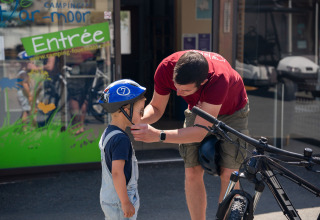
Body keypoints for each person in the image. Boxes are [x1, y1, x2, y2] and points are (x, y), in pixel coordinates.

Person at [131, 50, 249, 220]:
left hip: (233, 112)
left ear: (203, 82)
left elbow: (199, 133)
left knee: (229, 174)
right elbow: (156, 108)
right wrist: (136, 119)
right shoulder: (166, 68)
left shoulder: (218, 78)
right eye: (176, 87)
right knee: (192, 171)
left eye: (185, 90)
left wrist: (159, 135)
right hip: (199, 107)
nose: (178, 94)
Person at [98, 79, 146, 220]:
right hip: (120, 202)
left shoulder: (109, 133)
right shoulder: (121, 140)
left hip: (109, 197)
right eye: (141, 111)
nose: (142, 115)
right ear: (126, 110)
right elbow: (117, 173)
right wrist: (125, 202)